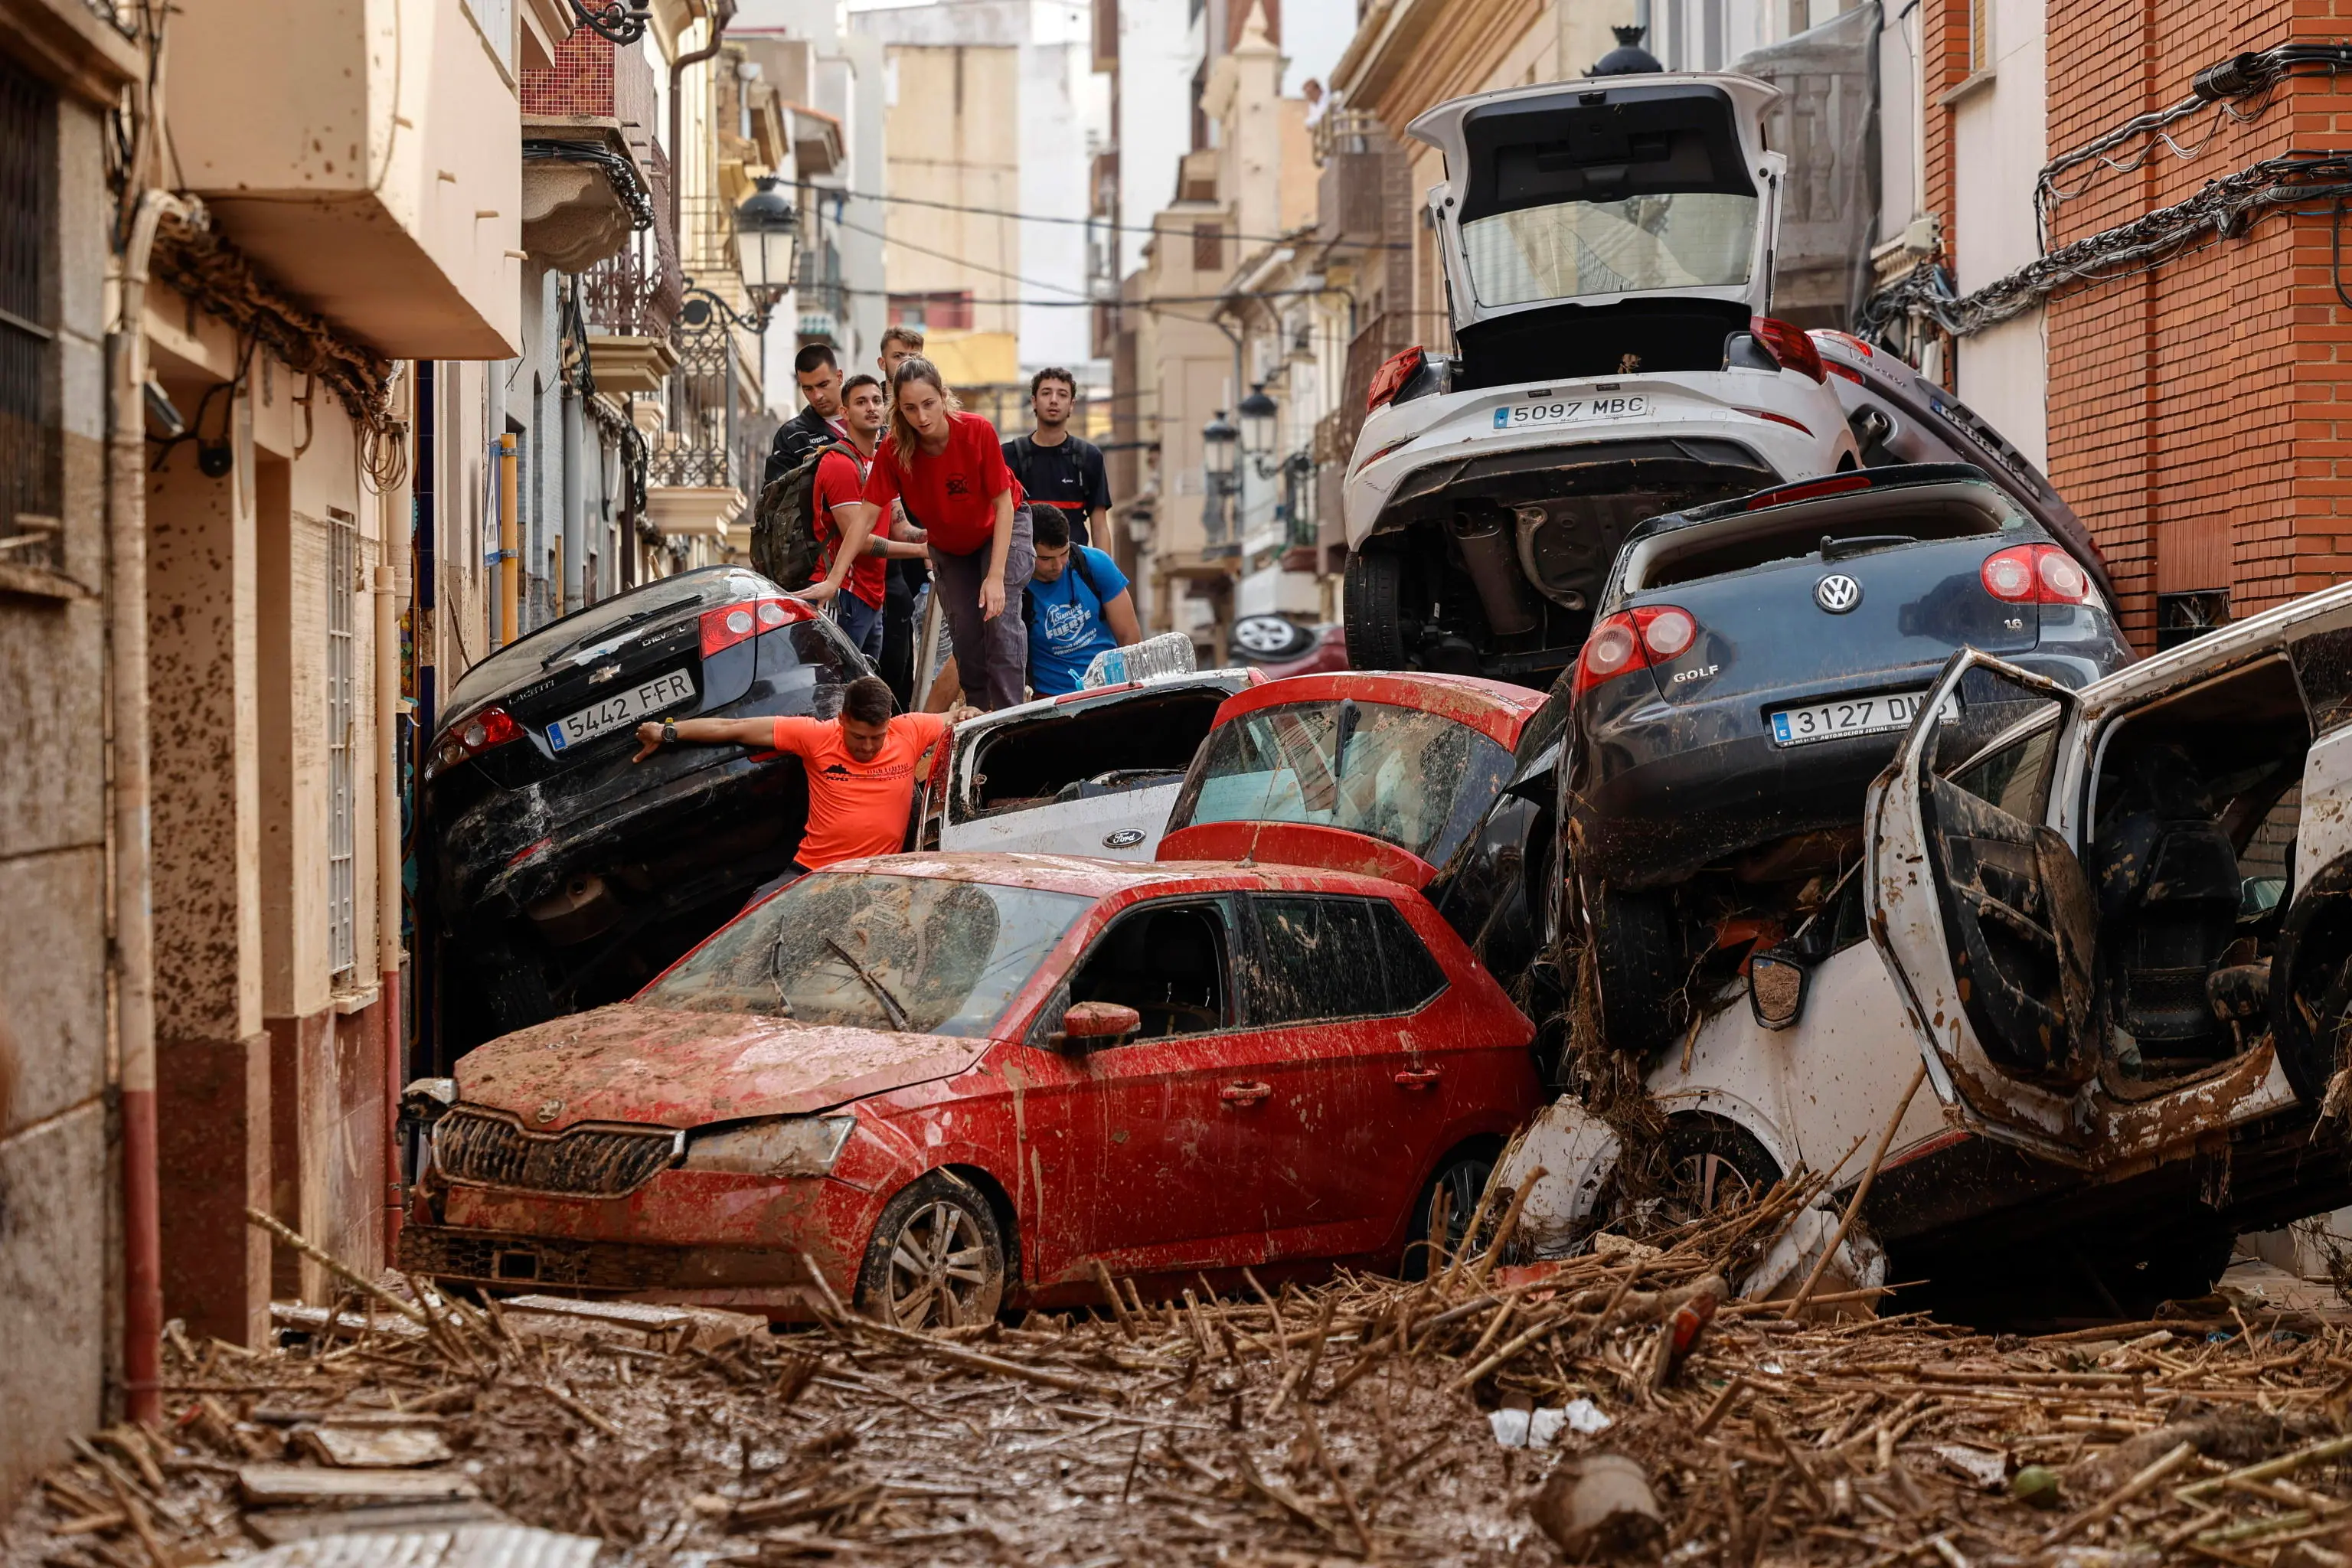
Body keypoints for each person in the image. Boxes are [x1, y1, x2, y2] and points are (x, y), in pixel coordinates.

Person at [631, 675, 978, 899]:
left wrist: (967, 713)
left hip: (876, 880)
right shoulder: (816, 736)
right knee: (751, 920)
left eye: (877, 737)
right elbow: (733, 728)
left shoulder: (909, 730)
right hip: (812, 874)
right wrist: (667, 732)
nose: (869, 747)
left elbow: (957, 717)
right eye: (859, 737)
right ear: (842, 720)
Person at [855, 357, 1034, 711]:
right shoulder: (894, 450)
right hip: (951, 546)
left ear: (943, 395)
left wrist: (996, 576)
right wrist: (831, 581)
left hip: (1001, 527)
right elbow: (864, 519)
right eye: (910, 408)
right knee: (966, 634)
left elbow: (1004, 505)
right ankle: (981, 716)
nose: (921, 416)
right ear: (899, 409)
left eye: (928, 404)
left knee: (998, 619)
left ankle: (1011, 714)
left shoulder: (976, 430)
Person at [792, 373, 893, 662]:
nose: (871, 407)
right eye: (861, 402)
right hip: (842, 593)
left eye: (876, 400)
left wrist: (930, 538)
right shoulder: (839, 464)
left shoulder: (880, 461)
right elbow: (858, 540)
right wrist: (921, 550)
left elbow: (900, 526)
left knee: (864, 693)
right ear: (845, 413)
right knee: (834, 687)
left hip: (873, 597)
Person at [1023, 506, 1143, 697]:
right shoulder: (1016, 587)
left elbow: (1129, 636)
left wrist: (1131, 691)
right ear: (1027, 550)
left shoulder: (1095, 563)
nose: (1058, 566)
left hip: (1109, 691)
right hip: (1052, 700)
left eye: (1064, 554)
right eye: (1046, 559)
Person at [874, 325, 929, 707]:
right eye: (899, 356)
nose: (907, 364)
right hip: (878, 558)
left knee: (919, 658)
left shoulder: (929, 416)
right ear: (883, 363)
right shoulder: (869, 409)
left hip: (922, 551)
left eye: (914, 356)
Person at [1002, 367, 1112, 550]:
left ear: (1072, 404)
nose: (1054, 400)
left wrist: (1105, 574)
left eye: (1062, 395)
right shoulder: (1008, 455)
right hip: (1022, 569)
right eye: (1046, 393)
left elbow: (1100, 526)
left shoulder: (1089, 457)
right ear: (1034, 401)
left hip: (1073, 566)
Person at [762, 343, 849, 490]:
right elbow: (773, 497)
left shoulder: (870, 421)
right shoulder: (790, 436)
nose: (817, 396)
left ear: (839, 377)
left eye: (823, 384)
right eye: (808, 388)